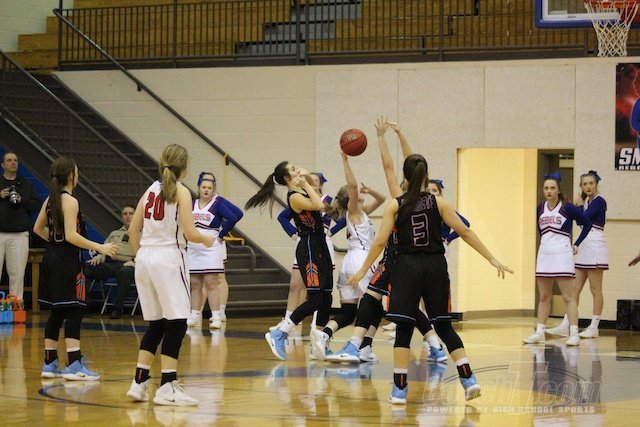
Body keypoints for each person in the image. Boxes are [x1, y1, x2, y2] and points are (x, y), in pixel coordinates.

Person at [348, 153, 513, 404]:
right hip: (435, 266)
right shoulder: (439, 203)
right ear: (426, 176)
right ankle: (468, 379)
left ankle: (399, 389)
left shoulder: (395, 205)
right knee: (444, 326)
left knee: (404, 329)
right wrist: (491, 258)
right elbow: (465, 231)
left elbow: (380, 241)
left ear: (405, 177)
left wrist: (362, 271)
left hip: (407, 268)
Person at [126, 144, 214, 406]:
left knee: (156, 323)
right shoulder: (182, 192)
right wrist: (207, 240)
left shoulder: (150, 189)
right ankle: (167, 385)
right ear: (184, 167)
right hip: (168, 258)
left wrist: (143, 255)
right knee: (177, 322)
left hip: (145, 257)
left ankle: (139, 382)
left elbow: (132, 230)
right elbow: (190, 233)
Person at [35, 157, 117, 380]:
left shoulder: (50, 200)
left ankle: (49, 363)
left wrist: (55, 243)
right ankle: (73, 364)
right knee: (74, 309)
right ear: (71, 176)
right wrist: (100, 246)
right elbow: (71, 235)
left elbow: (38, 228)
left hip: (51, 258)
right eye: (77, 172)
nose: (78, 175)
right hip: (68, 260)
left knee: (57, 310)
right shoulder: (70, 201)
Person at [245, 161, 332, 361]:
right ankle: (280, 332)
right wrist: (305, 182)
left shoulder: (301, 190)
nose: (298, 170)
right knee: (315, 298)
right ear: (286, 178)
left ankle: (320, 344)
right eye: (293, 169)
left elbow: (312, 181)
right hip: (309, 247)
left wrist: (302, 177)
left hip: (321, 245)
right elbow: (319, 205)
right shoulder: (294, 197)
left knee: (327, 297)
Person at [312, 152, 385, 360]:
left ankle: (324, 335)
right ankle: (364, 347)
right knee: (375, 306)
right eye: (355, 192)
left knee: (348, 312)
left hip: (349, 262)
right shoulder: (354, 212)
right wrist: (345, 161)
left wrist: (370, 190)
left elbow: (382, 198)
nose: (359, 191)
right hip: (361, 260)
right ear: (351, 198)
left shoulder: (362, 212)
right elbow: (352, 186)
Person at [523, 173, 592, 347]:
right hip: (544, 254)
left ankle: (574, 333)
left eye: (552, 188)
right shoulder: (540, 208)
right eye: (546, 188)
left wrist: (576, 243)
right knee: (544, 296)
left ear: (559, 190)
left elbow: (587, 224)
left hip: (562, 254)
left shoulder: (567, 208)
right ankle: (540, 332)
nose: (549, 191)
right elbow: (541, 232)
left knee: (568, 296)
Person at [273, 172, 345, 336]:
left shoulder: (327, 200)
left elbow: (342, 218)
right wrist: (293, 233)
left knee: (324, 293)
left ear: (320, 184)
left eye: (315, 179)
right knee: (298, 286)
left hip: (322, 244)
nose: (310, 181)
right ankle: (288, 320)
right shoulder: (301, 199)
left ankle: (316, 327)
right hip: (308, 244)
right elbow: (282, 217)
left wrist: (331, 231)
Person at [546, 170, 608, 339]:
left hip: (595, 246)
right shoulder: (587, 201)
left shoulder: (599, 201)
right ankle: (566, 324)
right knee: (574, 290)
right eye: (585, 184)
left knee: (595, 288)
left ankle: (594, 326)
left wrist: (579, 205)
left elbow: (583, 219)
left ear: (596, 184)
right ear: (581, 186)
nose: (588, 186)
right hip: (584, 247)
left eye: (591, 183)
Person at [187, 171, 243, 329]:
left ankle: (217, 315)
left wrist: (221, 235)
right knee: (195, 283)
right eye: (203, 187)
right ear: (198, 188)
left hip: (211, 246)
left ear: (213, 189)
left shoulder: (217, 203)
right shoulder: (191, 203)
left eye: (209, 188)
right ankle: (194, 314)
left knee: (211, 282)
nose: (206, 190)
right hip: (193, 246)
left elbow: (233, 217)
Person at [84, 205, 136, 319]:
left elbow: (146, 252)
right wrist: (99, 257)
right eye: (125, 214)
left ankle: (117, 308)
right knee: (86, 266)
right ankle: (85, 305)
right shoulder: (114, 233)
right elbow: (104, 249)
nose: (128, 216)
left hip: (130, 265)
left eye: (131, 213)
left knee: (125, 272)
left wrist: (135, 261)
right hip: (111, 263)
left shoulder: (142, 234)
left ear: (136, 215)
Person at [0, 152, 41, 299]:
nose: (13, 163)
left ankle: (16, 305)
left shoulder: (26, 184)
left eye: (15, 160)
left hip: (19, 234)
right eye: (9, 160)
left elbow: (36, 205)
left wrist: (22, 200)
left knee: (17, 273)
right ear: (2, 165)